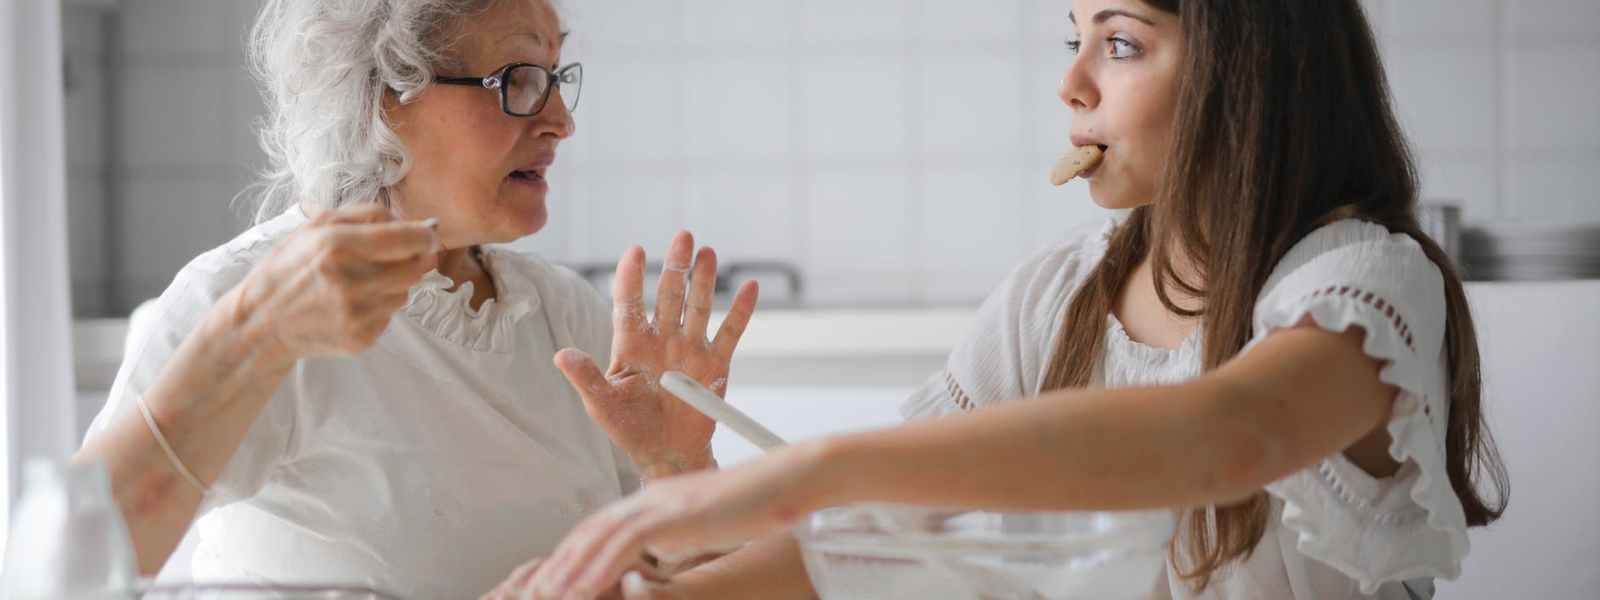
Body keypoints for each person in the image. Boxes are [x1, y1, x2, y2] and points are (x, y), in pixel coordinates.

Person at [497, 1, 1509, 598]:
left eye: (1119, 41)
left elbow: (1227, 436)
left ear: (1251, 72)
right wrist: (674, 484)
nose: (1070, 82)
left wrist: (817, 465)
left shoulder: (1362, 284)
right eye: (1070, 37)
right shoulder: (1056, 296)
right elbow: (870, 543)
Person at [74, 1, 756, 597]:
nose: (559, 121)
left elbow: (685, 586)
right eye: (518, 80)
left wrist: (678, 469)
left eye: (555, 79)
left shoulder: (565, 314)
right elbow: (74, 566)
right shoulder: (247, 296)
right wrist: (253, 336)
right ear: (381, 95)